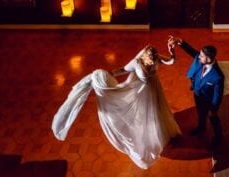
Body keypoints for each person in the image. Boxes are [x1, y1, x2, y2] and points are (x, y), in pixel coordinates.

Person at [51, 44, 181, 169]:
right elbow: (123, 70)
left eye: (155, 59)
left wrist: (171, 51)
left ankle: (160, 132)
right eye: (151, 60)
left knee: (158, 110)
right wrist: (109, 74)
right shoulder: (136, 62)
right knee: (145, 113)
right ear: (145, 57)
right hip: (141, 91)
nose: (154, 62)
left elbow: (171, 61)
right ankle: (149, 133)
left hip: (154, 88)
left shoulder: (156, 57)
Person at [168, 35, 224, 150]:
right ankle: (201, 127)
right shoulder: (200, 58)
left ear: (209, 59)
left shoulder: (218, 76)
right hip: (198, 94)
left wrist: (213, 109)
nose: (199, 57)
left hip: (209, 100)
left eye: (202, 56)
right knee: (200, 112)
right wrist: (180, 42)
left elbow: (218, 95)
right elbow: (192, 51)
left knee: (213, 118)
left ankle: (218, 136)